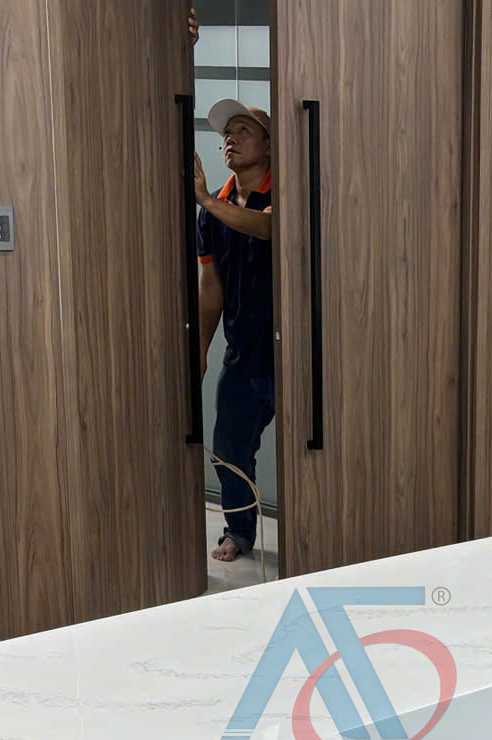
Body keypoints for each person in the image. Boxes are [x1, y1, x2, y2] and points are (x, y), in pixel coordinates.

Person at [195, 99, 276, 565]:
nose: (231, 138)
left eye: (244, 129)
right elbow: (211, 287)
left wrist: (208, 201)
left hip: (294, 350)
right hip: (244, 354)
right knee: (228, 449)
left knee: (315, 447)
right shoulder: (213, 211)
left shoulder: (284, 191)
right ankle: (240, 533)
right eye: (227, 132)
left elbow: (268, 227)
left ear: (269, 143)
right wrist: (201, 349)